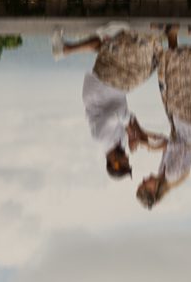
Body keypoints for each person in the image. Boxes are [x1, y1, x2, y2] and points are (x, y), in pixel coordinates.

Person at [54, 24, 167, 180]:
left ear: (115, 163)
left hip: (101, 90)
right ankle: (70, 48)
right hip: (114, 90)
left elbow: (119, 114)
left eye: (125, 164)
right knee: (151, 64)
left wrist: (137, 133)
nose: (128, 159)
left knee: (140, 69)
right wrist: (146, 140)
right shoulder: (120, 143)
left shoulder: (102, 138)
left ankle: (116, 36)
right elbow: (130, 119)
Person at [136, 24, 191, 209]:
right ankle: (173, 34)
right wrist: (147, 144)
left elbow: (166, 143)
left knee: (174, 81)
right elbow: (174, 145)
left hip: (183, 126)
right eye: (144, 184)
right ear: (153, 191)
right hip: (188, 125)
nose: (144, 178)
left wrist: (142, 134)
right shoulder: (172, 175)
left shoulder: (165, 172)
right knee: (174, 81)